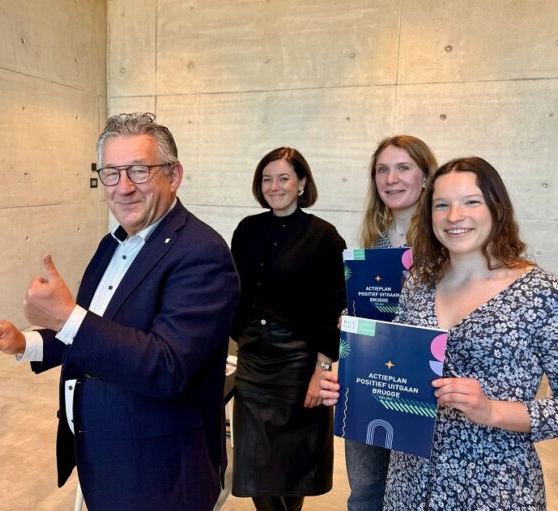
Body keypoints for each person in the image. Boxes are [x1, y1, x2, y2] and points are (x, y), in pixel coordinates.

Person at [0, 113, 240, 511]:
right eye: (111, 173)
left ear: (174, 175)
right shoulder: (113, 243)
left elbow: (167, 367)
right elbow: (96, 332)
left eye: (139, 171)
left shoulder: (203, 254)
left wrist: (66, 317)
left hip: (160, 472)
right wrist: (25, 342)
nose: (123, 187)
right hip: (103, 451)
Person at [322, 157, 558, 510]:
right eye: (441, 205)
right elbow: (395, 365)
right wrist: (353, 384)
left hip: (492, 488)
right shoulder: (419, 282)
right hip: (408, 484)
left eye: (471, 202)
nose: (454, 216)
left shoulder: (540, 293)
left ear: (497, 208)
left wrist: (492, 411)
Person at [229, 147, 347, 511]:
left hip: (299, 363)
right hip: (252, 359)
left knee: (293, 464)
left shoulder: (324, 237)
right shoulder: (247, 230)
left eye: (283, 178)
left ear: (302, 183)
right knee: (252, 465)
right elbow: (232, 290)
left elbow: (334, 308)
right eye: (267, 179)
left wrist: (322, 370)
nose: (274, 186)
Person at [337, 135, 438, 511]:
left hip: (419, 383)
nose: (391, 179)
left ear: (425, 177)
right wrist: (351, 318)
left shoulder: (446, 239)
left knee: (411, 492)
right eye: (382, 170)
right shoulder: (372, 241)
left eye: (403, 168)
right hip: (369, 376)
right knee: (365, 491)